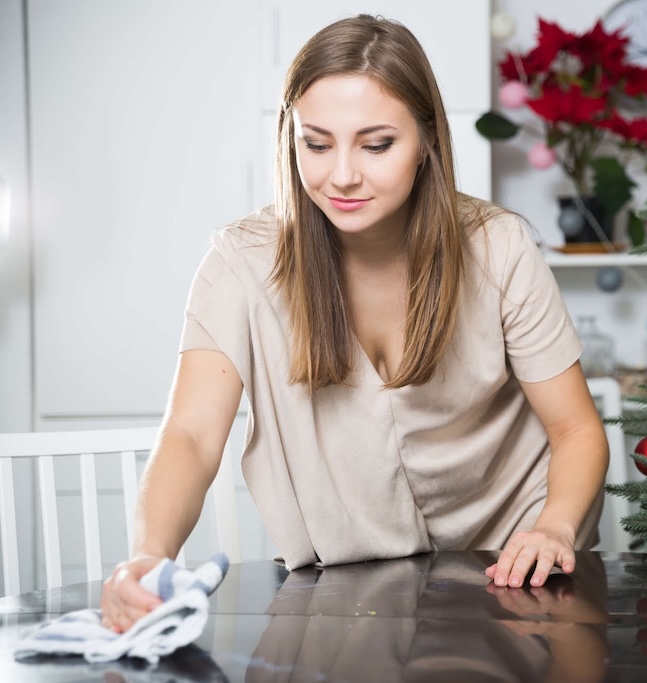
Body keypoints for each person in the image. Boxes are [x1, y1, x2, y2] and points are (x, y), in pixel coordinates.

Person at [100, 14, 609, 633]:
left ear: (426, 142)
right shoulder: (241, 263)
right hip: (353, 602)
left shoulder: (498, 247)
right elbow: (191, 437)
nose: (341, 175)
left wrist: (553, 526)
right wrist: (149, 557)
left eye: (376, 145)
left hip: (515, 576)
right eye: (316, 144)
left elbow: (576, 428)